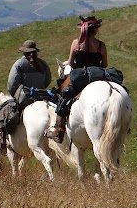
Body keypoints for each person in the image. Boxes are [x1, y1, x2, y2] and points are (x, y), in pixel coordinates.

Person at [45, 15, 107, 143]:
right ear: (95, 30)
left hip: (79, 76)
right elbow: (105, 64)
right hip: (97, 75)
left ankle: (59, 130)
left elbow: (71, 64)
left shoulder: (76, 43)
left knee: (63, 94)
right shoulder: (101, 45)